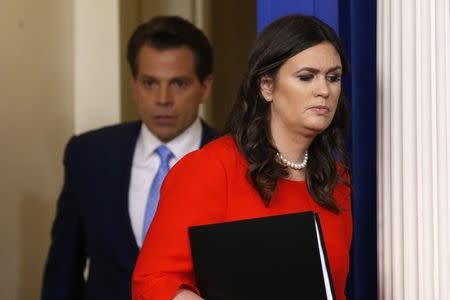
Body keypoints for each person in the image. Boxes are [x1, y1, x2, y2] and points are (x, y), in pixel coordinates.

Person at [132, 14, 353, 300]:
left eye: (333, 78)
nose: (323, 90)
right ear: (267, 87)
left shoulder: (335, 180)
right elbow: (153, 283)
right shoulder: (209, 169)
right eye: (306, 77)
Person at [41, 16, 220, 300]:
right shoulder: (89, 155)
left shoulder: (236, 160)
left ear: (205, 87)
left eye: (179, 84)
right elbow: (63, 271)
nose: (163, 98)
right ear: (134, 85)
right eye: (149, 83)